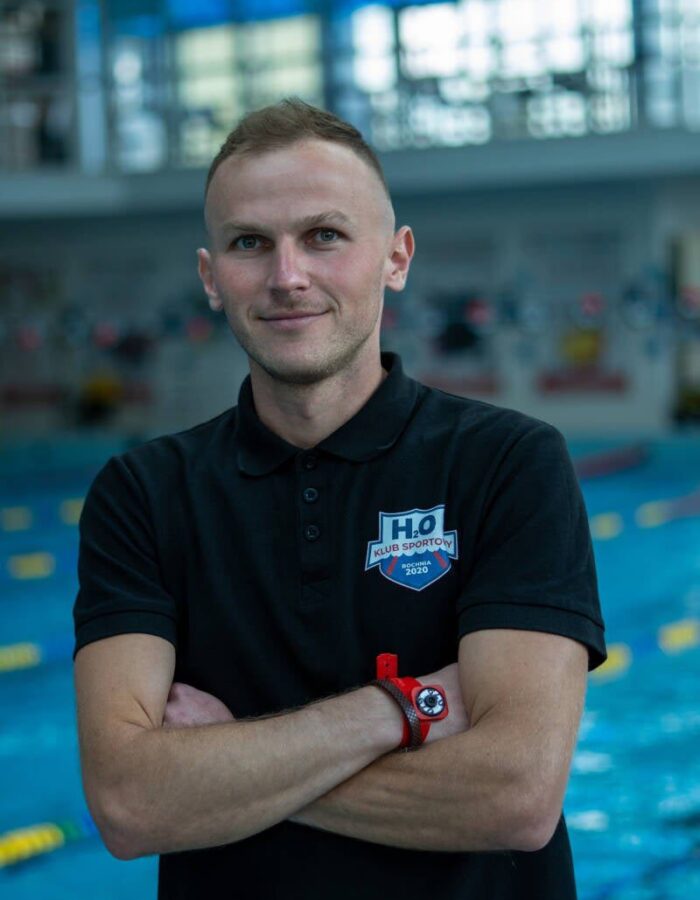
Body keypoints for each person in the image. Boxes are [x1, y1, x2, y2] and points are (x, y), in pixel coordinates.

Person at [73, 98, 606, 900]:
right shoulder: (141, 494)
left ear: (396, 258)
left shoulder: (508, 462)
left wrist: (224, 769)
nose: (288, 277)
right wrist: (401, 709)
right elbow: (129, 803)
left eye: (324, 235)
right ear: (211, 278)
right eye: (250, 243)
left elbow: (517, 794)